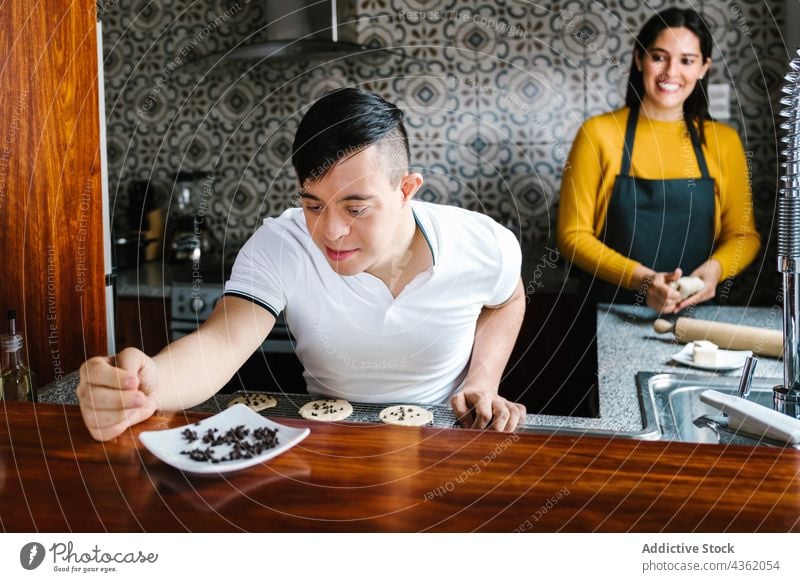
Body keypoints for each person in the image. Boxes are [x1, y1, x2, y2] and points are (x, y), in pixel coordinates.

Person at [78, 88, 527, 440]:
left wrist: (483, 380)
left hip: (447, 438)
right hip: (330, 436)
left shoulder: (481, 242)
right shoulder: (282, 243)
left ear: (406, 189)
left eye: (355, 208)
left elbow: (508, 297)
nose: (330, 231)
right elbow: (219, 344)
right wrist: (147, 383)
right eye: (313, 205)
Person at [557, 7, 760, 314]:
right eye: (658, 56)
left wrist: (716, 270)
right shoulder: (598, 134)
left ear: (704, 67)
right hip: (608, 313)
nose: (670, 72)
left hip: (697, 317)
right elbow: (572, 236)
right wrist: (642, 280)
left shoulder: (724, 141)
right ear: (640, 59)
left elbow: (744, 236)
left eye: (686, 61)